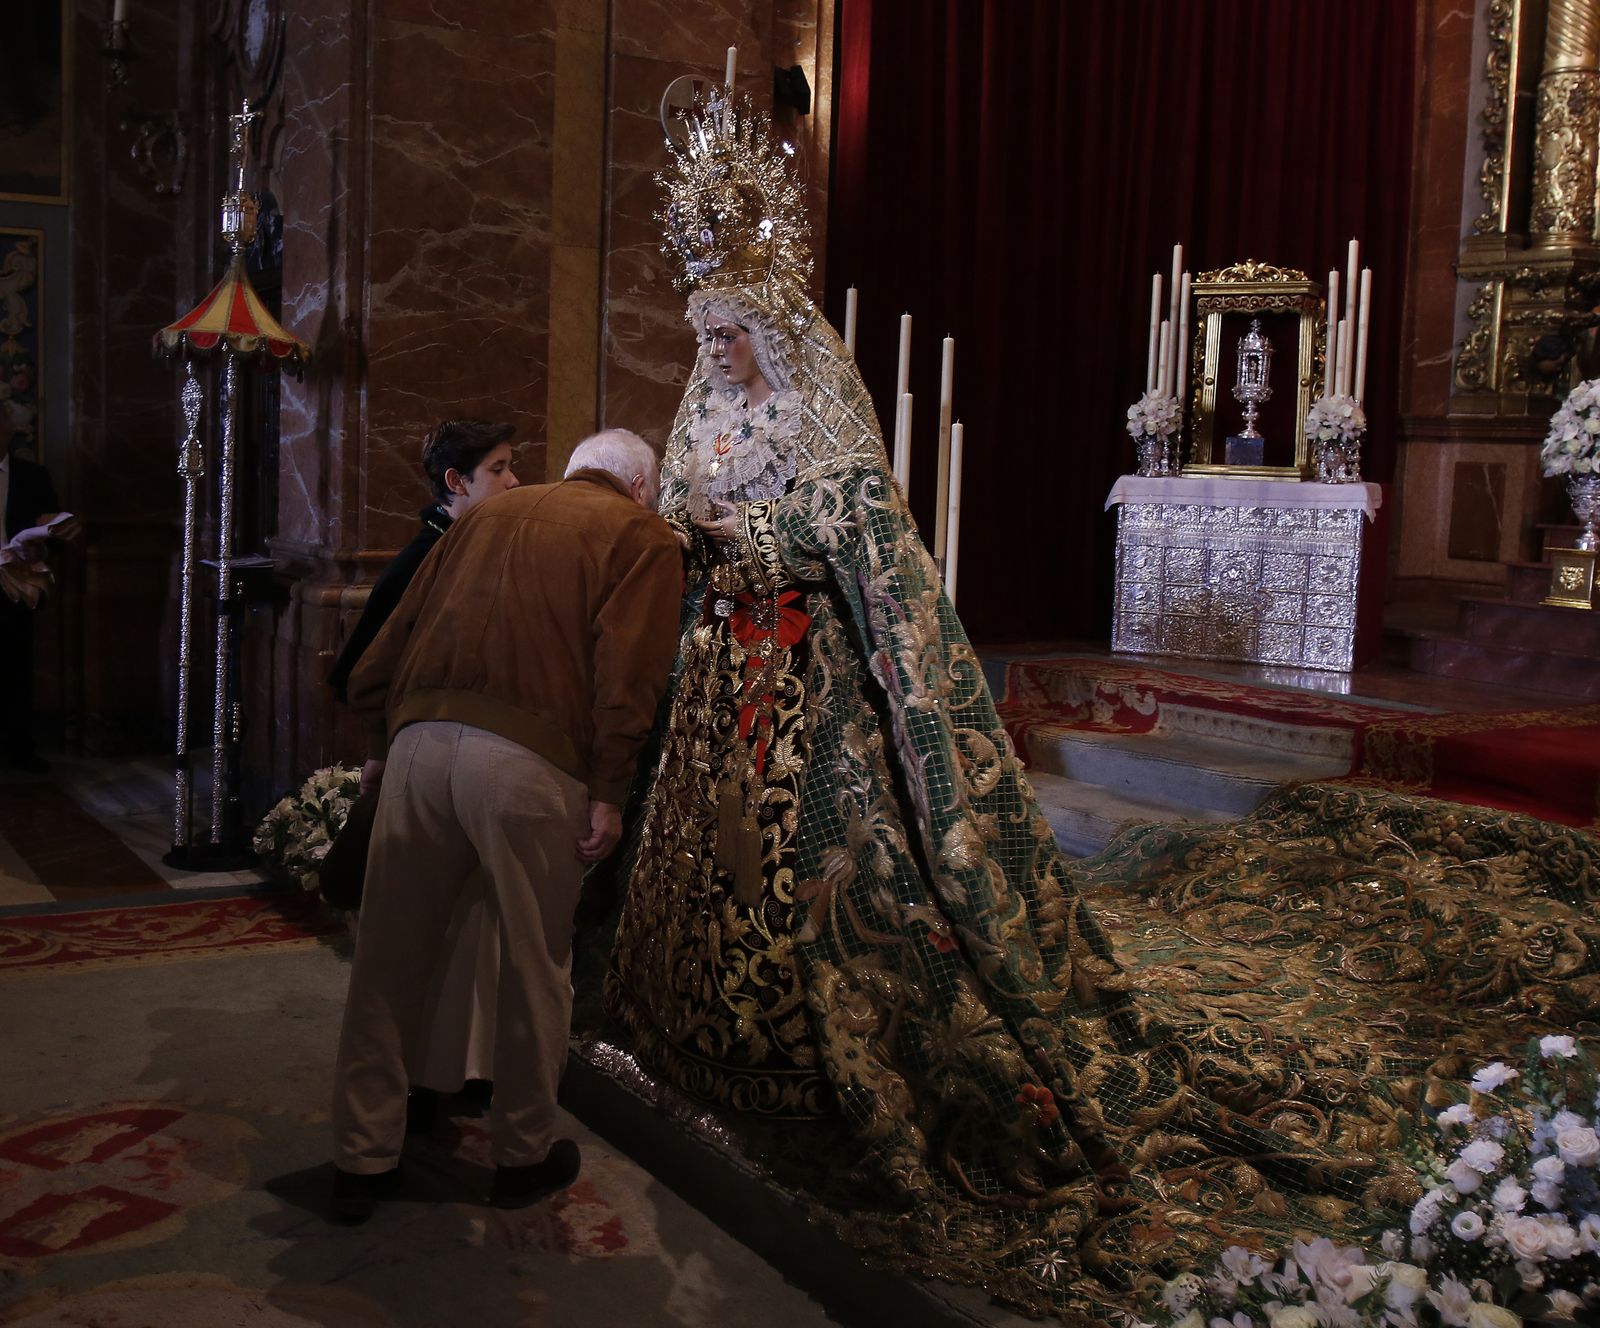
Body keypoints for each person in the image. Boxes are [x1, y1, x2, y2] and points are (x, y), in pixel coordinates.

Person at [599, 90, 1470, 1321]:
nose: (721, 349)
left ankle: (816, 1041)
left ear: (772, 328)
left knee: (821, 867)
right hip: (717, 673)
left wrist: (765, 532)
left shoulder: (809, 406)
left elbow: (861, 521)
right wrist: (699, 531)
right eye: (710, 331)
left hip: (803, 676)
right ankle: (687, 1017)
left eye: (735, 328)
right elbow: (679, 511)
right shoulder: (703, 412)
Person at [332, 428, 680, 1222]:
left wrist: (381, 741)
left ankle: (362, 1157)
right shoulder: (641, 535)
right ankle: (522, 1155)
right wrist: (610, 790)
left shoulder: (483, 515)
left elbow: (389, 642)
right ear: (640, 488)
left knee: (387, 960)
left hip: (418, 743)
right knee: (533, 964)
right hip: (529, 761)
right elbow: (627, 676)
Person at [326, 418, 520, 1125]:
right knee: (415, 939)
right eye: (499, 469)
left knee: (466, 929)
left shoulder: (473, 543)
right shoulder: (422, 556)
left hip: (460, 756)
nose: (515, 481)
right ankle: (403, 1092)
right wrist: (388, 741)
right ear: (455, 482)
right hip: (425, 756)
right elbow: (357, 670)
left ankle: (453, 1073)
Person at [0, 447, 62, 771]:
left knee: (17, 664)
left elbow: (54, 529)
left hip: (18, 578)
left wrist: (40, 547)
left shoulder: (32, 476)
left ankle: (20, 749)